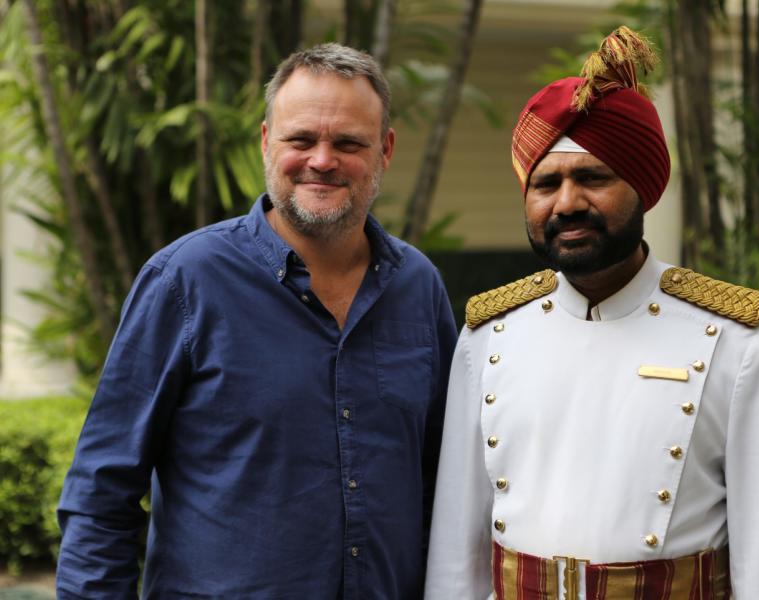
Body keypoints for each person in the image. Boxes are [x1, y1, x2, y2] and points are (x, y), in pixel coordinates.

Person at [56, 43, 458, 599]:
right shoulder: (184, 282)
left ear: (385, 150)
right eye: (301, 140)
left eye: (348, 143)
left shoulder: (418, 287)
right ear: (267, 141)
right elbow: (102, 493)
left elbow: (445, 482)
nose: (322, 160)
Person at [424, 27, 759, 600]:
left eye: (593, 177)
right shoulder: (489, 333)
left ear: (643, 187)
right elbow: (457, 551)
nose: (567, 202)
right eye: (546, 183)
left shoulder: (737, 339)